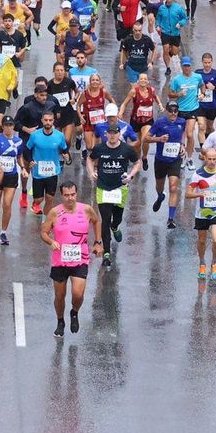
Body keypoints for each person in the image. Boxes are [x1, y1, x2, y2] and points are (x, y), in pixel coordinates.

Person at [40, 181, 99, 337]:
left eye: (73, 194)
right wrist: (51, 241)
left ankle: (74, 312)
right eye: (66, 195)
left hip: (80, 258)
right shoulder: (54, 212)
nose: (70, 198)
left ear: (76, 194)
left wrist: (98, 242)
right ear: (62, 195)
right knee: (60, 296)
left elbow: (96, 221)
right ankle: (60, 321)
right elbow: (44, 232)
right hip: (60, 260)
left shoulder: (86, 209)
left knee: (78, 294)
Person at [88, 117, 140, 266]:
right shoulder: (100, 148)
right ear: (106, 134)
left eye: (115, 133)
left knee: (117, 218)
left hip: (120, 187)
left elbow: (137, 162)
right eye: (109, 133)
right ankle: (106, 252)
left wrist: (130, 176)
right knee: (105, 219)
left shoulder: (127, 149)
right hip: (103, 187)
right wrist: (91, 172)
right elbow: (90, 159)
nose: (112, 136)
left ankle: (115, 226)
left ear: (119, 135)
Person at [184, 144, 216, 281]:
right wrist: (199, 194)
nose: (212, 162)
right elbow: (187, 194)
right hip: (202, 213)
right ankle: (202, 264)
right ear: (205, 158)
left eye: (214, 159)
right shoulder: (198, 174)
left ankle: (215, 264)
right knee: (202, 240)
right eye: (209, 159)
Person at [145, 101, 191, 229]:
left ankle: (171, 219)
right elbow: (146, 138)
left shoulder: (182, 122)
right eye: (170, 111)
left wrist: (182, 145)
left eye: (175, 111)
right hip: (161, 160)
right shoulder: (159, 123)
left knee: (173, 187)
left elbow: (183, 134)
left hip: (175, 160)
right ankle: (160, 196)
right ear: (166, 111)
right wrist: (159, 139)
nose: (173, 113)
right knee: (159, 186)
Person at [0, 116, 23, 244]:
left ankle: (3, 233)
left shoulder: (18, 141)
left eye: (10, 125)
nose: (8, 127)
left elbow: (19, 157)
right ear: (2, 126)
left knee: (7, 204)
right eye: (6, 125)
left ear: (13, 126)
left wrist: (23, 168)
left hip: (11, 176)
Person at [24, 109, 69, 216]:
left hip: (53, 171)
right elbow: (27, 150)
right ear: (42, 121)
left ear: (53, 121)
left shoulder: (59, 136)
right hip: (38, 172)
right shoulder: (35, 135)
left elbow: (64, 149)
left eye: (50, 120)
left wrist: (67, 157)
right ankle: (35, 203)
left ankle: (46, 220)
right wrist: (30, 160)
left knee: (49, 198)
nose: (48, 122)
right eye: (46, 120)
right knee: (39, 199)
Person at [154, 0, 189, 70]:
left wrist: (180, 23)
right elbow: (158, 18)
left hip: (175, 33)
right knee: (165, 49)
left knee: (175, 52)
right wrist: (157, 26)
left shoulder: (178, 8)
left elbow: (185, 18)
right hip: (165, 32)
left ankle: (170, 53)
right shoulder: (162, 8)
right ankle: (168, 68)